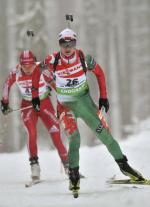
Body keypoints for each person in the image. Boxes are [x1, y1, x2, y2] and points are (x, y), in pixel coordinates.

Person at [31, 28, 145, 194]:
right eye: (64, 43)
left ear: (75, 43)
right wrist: (35, 96)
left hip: (86, 105)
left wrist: (103, 97)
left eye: (71, 43)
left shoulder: (84, 58)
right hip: (66, 108)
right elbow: (36, 71)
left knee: (105, 135)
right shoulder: (52, 60)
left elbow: (100, 74)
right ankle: (74, 176)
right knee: (75, 138)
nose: (68, 47)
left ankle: (125, 167)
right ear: (59, 44)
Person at [1, 50, 69, 181]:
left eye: (30, 65)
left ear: (34, 63)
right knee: (31, 133)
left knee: (55, 133)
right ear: (20, 65)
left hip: (44, 103)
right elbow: (6, 86)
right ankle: (34, 166)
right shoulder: (16, 72)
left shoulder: (42, 68)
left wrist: (64, 100)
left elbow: (56, 85)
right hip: (27, 106)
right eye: (24, 66)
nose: (27, 69)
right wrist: (4, 102)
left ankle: (68, 165)